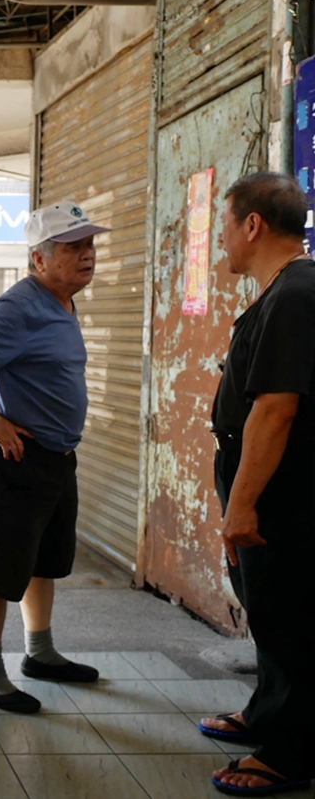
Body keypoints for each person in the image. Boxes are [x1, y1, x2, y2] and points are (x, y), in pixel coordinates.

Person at [0, 201, 107, 713]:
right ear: (39, 259)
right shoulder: (22, 304)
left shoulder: (62, 302)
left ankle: (39, 653)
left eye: (89, 245)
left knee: (44, 561)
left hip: (56, 455)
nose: (88, 255)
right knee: (1, 568)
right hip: (18, 456)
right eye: (73, 247)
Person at [202, 172, 315, 796]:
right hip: (264, 484)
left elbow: (276, 408)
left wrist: (242, 503)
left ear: (252, 225)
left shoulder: (296, 293)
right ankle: (268, 714)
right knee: (268, 613)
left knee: (290, 616)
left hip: (284, 494)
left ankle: (292, 752)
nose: (222, 238)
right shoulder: (281, 291)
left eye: (226, 225)